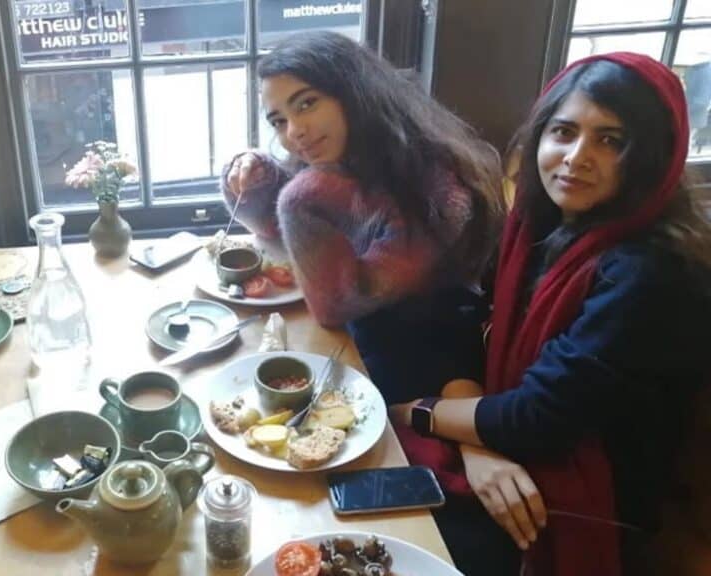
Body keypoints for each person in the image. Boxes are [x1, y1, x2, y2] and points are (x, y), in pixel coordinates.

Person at [390, 52, 711, 576]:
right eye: (564, 131)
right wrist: (479, 448)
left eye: (611, 140)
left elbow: (539, 418)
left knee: (390, 528)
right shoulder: (538, 225)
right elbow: (473, 325)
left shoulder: (652, 271)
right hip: (515, 446)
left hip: (594, 501)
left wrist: (411, 412)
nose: (577, 156)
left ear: (653, 156)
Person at [221, 31, 505, 403]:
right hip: (364, 340)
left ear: (353, 92)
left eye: (306, 104)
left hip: (429, 352)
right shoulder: (346, 159)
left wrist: (296, 199)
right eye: (278, 120)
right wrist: (260, 179)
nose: (295, 132)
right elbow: (272, 231)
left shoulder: (439, 186)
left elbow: (337, 303)